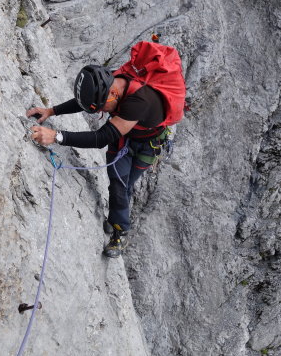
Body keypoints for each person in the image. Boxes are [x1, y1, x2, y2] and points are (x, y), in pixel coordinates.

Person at [26, 61, 174, 258]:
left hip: (147, 147)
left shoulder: (139, 101)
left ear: (113, 94)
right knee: (119, 184)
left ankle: (118, 229)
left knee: (125, 185)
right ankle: (119, 225)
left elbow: (100, 138)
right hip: (124, 137)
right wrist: (51, 111)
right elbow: (88, 102)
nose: (98, 111)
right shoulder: (111, 82)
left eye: (101, 108)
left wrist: (57, 136)